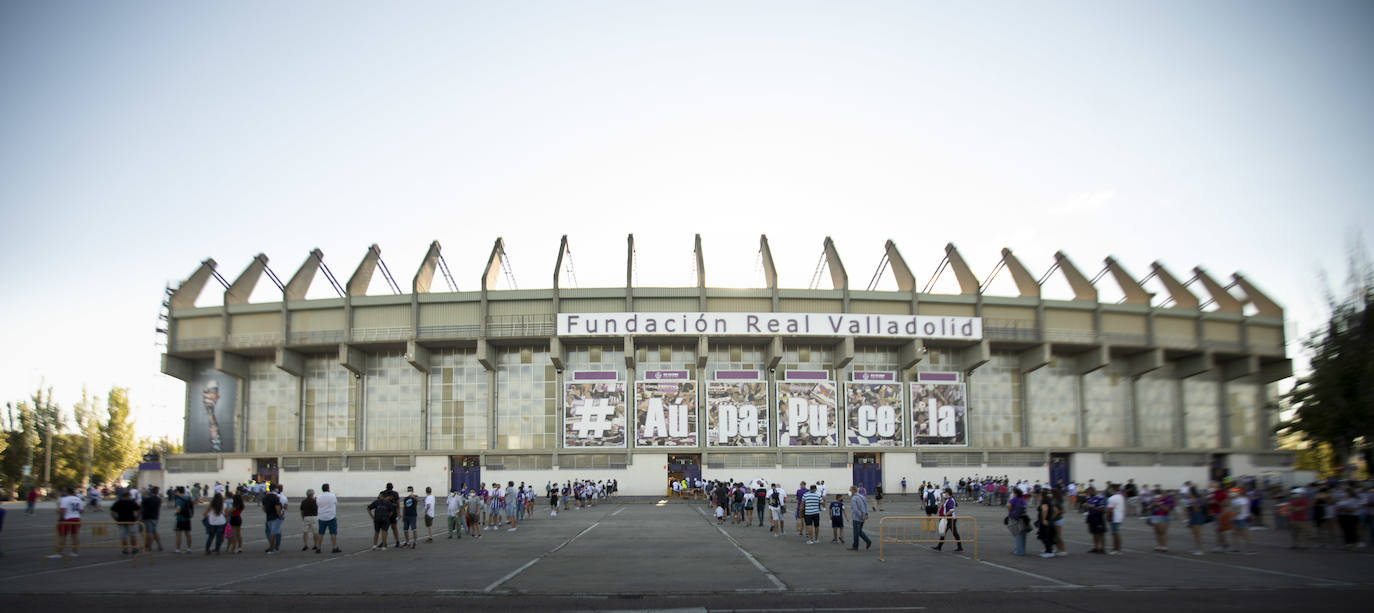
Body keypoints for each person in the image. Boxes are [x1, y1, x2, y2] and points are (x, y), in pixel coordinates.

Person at [50, 487, 83, 558]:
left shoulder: (64, 499)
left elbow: (62, 511)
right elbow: (81, 511)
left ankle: (59, 552)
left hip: (67, 519)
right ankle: (75, 552)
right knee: (75, 535)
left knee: (62, 536)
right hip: (76, 518)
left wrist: (58, 510)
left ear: (67, 492)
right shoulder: (78, 499)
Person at [110, 489, 141, 555]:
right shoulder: (132, 502)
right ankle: (134, 549)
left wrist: (116, 519)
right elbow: (139, 510)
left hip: (121, 521)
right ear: (128, 496)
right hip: (131, 521)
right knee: (133, 535)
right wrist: (137, 518)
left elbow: (112, 512)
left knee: (123, 536)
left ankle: (125, 549)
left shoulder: (118, 502)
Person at [933, 487, 963, 552]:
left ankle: (940, 546)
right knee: (946, 532)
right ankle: (940, 546)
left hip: (950, 519)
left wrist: (945, 515)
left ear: (947, 493)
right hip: (948, 518)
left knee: (949, 532)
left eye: (945, 492)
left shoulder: (951, 500)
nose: (944, 494)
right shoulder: (948, 499)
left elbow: (952, 510)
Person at [315, 483, 340, 553]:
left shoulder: (318, 497)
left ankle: (318, 547)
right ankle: (334, 547)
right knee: (333, 532)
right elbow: (335, 503)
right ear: (328, 488)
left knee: (321, 533)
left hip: (321, 516)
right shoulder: (332, 496)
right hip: (331, 516)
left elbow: (317, 504)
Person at [847, 486, 872, 551]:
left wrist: (861, 516)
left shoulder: (854, 498)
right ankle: (868, 541)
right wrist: (866, 514)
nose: (849, 492)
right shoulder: (862, 496)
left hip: (857, 518)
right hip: (863, 516)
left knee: (856, 532)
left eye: (850, 490)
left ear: (853, 491)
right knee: (859, 531)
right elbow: (866, 505)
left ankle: (855, 546)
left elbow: (856, 509)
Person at [1007, 487, 1029, 556]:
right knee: (1023, 534)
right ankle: (1022, 549)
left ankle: (1019, 551)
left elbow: (1008, 505)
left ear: (1015, 494)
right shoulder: (1022, 499)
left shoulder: (1014, 499)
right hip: (1024, 517)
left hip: (1016, 518)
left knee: (1017, 534)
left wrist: (1010, 510)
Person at [261, 485, 283, 554]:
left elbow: (263, 508)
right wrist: (280, 516)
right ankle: (272, 548)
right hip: (275, 517)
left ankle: (272, 547)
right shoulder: (275, 497)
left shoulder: (265, 497)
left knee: (271, 532)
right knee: (274, 533)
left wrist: (268, 513)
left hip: (269, 516)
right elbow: (278, 508)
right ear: (275, 489)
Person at [1035, 489, 1057, 558]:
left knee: (1044, 536)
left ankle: (1049, 551)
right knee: (1048, 536)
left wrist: (1044, 519)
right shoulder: (1049, 501)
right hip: (1049, 521)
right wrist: (1051, 518)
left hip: (1044, 521)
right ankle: (1049, 550)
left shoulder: (1044, 502)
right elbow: (1055, 510)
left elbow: (1045, 510)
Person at [141, 486, 164, 553]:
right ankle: (159, 545)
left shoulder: (148, 499)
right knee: (154, 531)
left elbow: (141, 506)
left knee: (149, 532)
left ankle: (149, 547)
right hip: (155, 516)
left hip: (147, 516)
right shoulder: (158, 499)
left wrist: (143, 496)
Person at [1084, 486, 1106, 554]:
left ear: (1093, 491)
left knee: (1100, 533)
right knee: (1093, 533)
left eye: (1089, 492)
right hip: (1091, 516)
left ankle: (1102, 548)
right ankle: (1095, 547)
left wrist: (1092, 507)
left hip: (1098, 517)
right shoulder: (1089, 497)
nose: (1088, 494)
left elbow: (1101, 509)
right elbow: (1089, 506)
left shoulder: (1100, 498)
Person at [1106, 483, 1126, 555]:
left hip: (1114, 517)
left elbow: (1109, 509)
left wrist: (1107, 517)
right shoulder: (1120, 496)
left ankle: (1116, 548)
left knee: (1115, 533)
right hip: (1120, 516)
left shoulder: (1112, 498)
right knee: (1116, 533)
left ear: (1112, 489)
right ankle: (1117, 548)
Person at [173, 486, 195, 554]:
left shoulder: (178, 500)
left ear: (178, 492)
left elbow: (178, 509)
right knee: (188, 534)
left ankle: (178, 549)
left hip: (180, 518)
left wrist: (175, 513)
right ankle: (189, 548)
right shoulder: (188, 497)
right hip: (187, 517)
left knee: (178, 534)